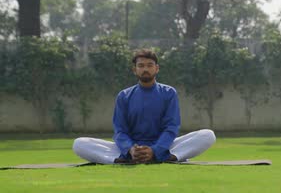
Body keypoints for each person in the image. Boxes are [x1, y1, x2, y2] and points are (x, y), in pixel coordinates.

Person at [73, 49, 216, 164]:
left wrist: (155, 150)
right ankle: (124, 158)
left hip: (164, 147)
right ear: (134, 70)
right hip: (129, 150)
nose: (145, 69)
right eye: (141, 66)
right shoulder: (124, 96)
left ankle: (164, 156)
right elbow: (120, 131)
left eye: (149, 65)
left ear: (157, 68)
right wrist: (130, 150)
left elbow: (171, 127)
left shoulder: (169, 93)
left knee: (207, 135)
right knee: (79, 144)